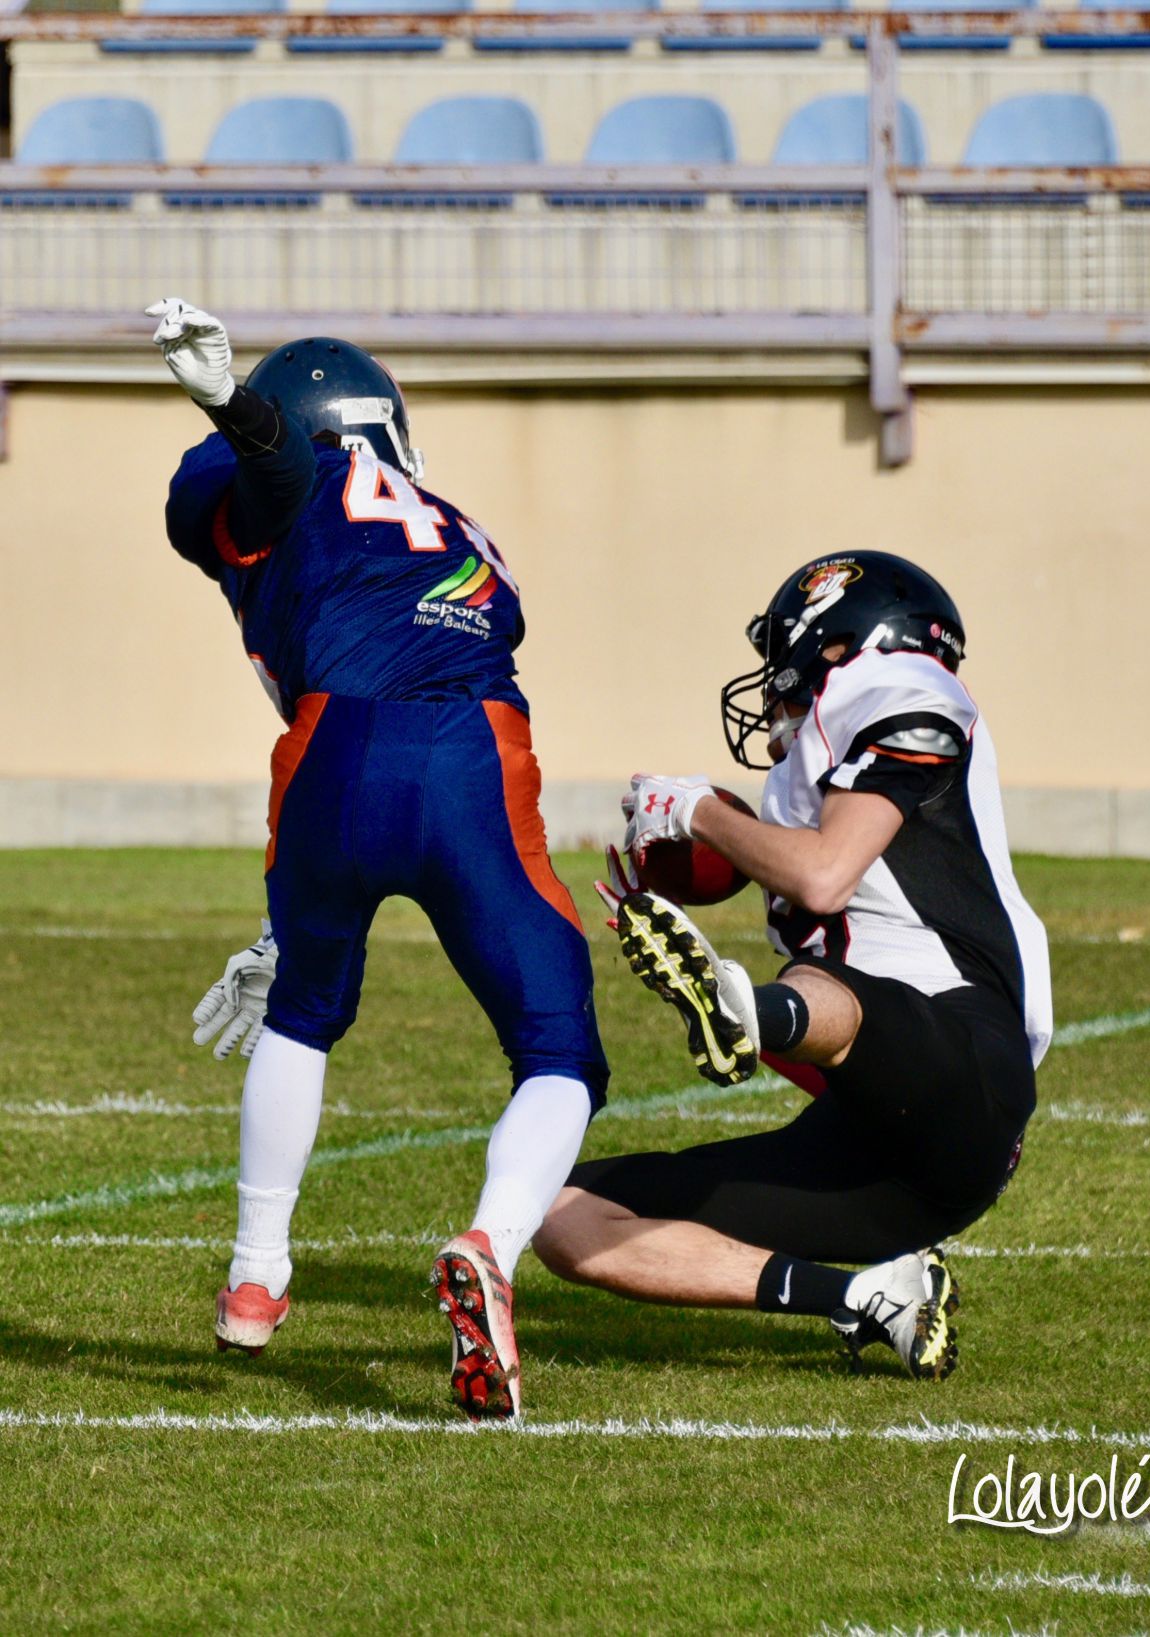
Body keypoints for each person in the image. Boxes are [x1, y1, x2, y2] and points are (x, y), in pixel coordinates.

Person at [149, 296, 608, 1420]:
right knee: (558, 1046)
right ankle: (489, 1245)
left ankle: (257, 1277)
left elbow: (266, 483)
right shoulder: (457, 523)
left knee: (301, 1012)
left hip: (334, 752)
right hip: (471, 753)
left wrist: (231, 409)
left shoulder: (275, 479)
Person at [534, 552, 1051, 1380]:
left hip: (969, 1072)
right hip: (879, 1149)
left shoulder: (904, 682)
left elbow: (822, 873)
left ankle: (751, 1010)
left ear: (839, 645)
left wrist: (697, 810)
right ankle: (869, 1299)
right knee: (561, 1213)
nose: (772, 690)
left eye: (784, 662)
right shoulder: (805, 778)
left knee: (822, 990)